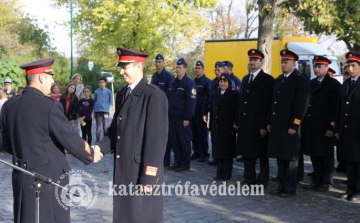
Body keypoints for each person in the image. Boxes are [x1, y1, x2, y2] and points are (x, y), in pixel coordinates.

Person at [0, 57, 102, 223]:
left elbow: (4, 143)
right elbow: (69, 138)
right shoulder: (49, 106)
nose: (52, 80)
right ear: (41, 77)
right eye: (50, 76)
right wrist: (91, 153)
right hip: (47, 179)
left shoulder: (9, 105)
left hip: (21, 175)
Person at [95, 48, 168, 223]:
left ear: (138, 66)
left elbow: (156, 140)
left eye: (124, 67)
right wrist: (100, 148)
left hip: (140, 173)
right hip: (124, 169)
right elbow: (115, 131)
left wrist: (149, 177)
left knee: (141, 216)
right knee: (124, 216)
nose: (121, 71)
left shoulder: (154, 95)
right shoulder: (122, 94)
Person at [267, 50, 310, 197]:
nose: (283, 65)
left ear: (294, 63)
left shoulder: (300, 80)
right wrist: (269, 121)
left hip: (290, 125)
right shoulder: (279, 80)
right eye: (282, 62)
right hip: (278, 124)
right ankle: (281, 185)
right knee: (280, 156)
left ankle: (289, 188)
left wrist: (295, 125)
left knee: (291, 158)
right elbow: (273, 104)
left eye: (286, 62)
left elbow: (301, 105)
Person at [302, 56, 341, 192]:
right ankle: (316, 179)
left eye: (320, 66)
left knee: (326, 155)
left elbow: (335, 108)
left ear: (326, 68)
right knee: (314, 153)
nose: (317, 69)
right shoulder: (312, 83)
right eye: (315, 66)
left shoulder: (333, 84)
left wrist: (332, 126)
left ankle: (327, 181)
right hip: (312, 125)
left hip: (325, 126)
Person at [237, 49, 274, 188]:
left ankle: (263, 179)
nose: (252, 62)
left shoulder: (267, 80)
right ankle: (249, 177)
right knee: (247, 152)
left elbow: (268, 105)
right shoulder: (246, 79)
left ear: (261, 62)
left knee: (262, 154)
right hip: (246, 124)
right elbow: (242, 103)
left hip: (259, 124)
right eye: (250, 60)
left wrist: (265, 124)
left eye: (255, 60)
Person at [336, 52, 360, 202]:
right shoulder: (346, 84)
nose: (350, 68)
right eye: (348, 65)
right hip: (347, 129)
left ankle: (358, 191)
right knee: (349, 161)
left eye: (353, 65)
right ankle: (350, 189)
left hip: (358, 130)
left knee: (358, 162)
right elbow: (340, 108)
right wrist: (337, 128)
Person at [168, 58, 197, 172]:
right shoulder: (173, 83)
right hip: (173, 117)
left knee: (184, 141)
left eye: (180, 68)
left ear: (185, 69)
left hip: (182, 118)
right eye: (177, 67)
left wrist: (187, 118)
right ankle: (178, 162)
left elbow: (191, 102)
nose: (178, 70)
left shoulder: (190, 83)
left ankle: (185, 163)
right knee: (174, 141)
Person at [210, 73, 238, 181]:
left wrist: (234, 126)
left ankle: (226, 174)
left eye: (225, 81)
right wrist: (211, 126)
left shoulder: (233, 94)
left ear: (229, 83)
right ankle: (219, 173)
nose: (222, 83)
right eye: (221, 81)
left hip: (227, 128)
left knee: (227, 152)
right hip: (217, 127)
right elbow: (213, 111)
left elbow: (235, 112)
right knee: (218, 151)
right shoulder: (216, 93)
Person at [150, 54, 175, 167]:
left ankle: (166, 159)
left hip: (166, 109)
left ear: (163, 63)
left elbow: (171, 94)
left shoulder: (169, 76)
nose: (158, 64)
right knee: (156, 134)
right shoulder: (154, 76)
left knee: (166, 135)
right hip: (155, 109)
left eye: (160, 62)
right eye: (156, 62)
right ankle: (158, 157)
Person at [203, 61, 225, 165]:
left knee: (222, 137)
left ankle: (222, 157)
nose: (216, 72)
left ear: (223, 70)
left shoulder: (227, 82)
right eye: (215, 70)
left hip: (223, 115)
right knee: (214, 135)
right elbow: (207, 98)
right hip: (212, 113)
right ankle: (215, 156)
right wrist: (204, 112)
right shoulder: (212, 83)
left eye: (218, 70)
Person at [191, 60, 211, 162]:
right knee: (194, 132)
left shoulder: (207, 82)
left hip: (201, 112)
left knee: (202, 132)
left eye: (199, 68)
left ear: (203, 69)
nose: (197, 70)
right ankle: (196, 151)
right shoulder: (193, 81)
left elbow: (208, 98)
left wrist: (205, 111)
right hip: (193, 111)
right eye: (196, 68)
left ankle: (204, 152)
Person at [94, 77, 112, 143]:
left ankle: (105, 140)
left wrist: (106, 106)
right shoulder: (96, 92)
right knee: (98, 127)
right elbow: (95, 100)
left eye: (103, 82)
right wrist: (94, 111)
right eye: (100, 82)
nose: (101, 83)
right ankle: (97, 140)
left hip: (105, 111)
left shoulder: (108, 92)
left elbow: (110, 100)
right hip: (98, 111)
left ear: (105, 83)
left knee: (105, 126)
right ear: (98, 83)